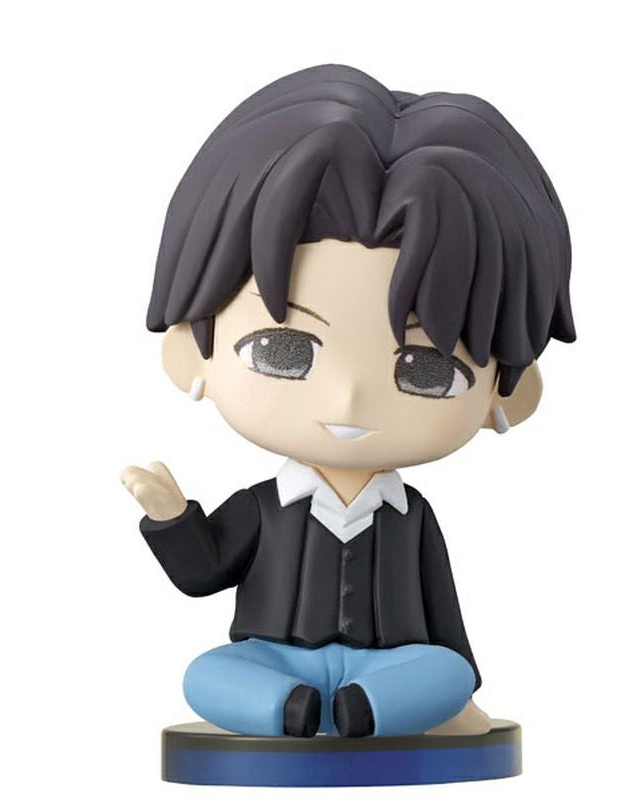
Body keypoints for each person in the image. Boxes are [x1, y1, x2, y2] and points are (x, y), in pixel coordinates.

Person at [121, 64, 574, 738]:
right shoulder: (262, 509)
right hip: (272, 658)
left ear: (508, 396)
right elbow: (204, 572)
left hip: (390, 665)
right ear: (192, 356)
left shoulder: (412, 520)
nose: (349, 395)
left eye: (426, 369)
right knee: (207, 675)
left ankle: (369, 710)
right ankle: (288, 709)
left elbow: (444, 614)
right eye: (283, 351)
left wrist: (461, 692)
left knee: (443, 672)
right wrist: (172, 519)